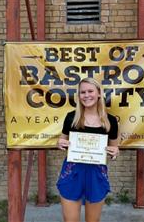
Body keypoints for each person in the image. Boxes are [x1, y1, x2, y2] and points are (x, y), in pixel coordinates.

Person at [56, 77, 119, 222]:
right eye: (82, 92)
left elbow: (114, 148)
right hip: (72, 173)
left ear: (98, 93)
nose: (86, 95)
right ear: (79, 96)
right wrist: (59, 143)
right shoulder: (72, 117)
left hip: (96, 174)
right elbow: (62, 141)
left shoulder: (110, 121)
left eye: (90, 91)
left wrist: (115, 152)